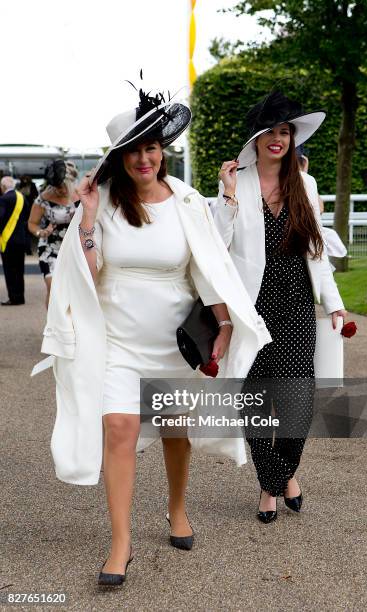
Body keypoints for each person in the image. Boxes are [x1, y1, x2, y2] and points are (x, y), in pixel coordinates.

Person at [35, 84, 271, 586]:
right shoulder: (102, 203)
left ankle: (177, 507)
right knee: (118, 428)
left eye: (151, 147)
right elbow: (87, 271)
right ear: (120, 157)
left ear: (162, 150)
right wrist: (91, 218)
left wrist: (225, 322)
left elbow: (208, 267)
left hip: (173, 342)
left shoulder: (186, 201)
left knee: (174, 431)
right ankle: (120, 544)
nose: (144, 158)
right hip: (117, 340)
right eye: (133, 150)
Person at [214, 90, 347, 524]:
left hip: (295, 305)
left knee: (295, 401)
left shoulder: (304, 185)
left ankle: (277, 474)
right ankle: (274, 483)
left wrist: (334, 304)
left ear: (292, 139)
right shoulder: (236, 181)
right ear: (256, 138)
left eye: (285, 131)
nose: (278, 138)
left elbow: (317, 251)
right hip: (252, 308)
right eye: (270, 131)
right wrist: (229, 197)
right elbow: (218, 245)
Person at [28, 160, 78, 308]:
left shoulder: (80, 195)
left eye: (63, 186)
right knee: (53, 286)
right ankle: (52, 327)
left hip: (74, 248)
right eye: (57, 187)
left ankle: (69, 326)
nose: (61, 190)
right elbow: (32, 223)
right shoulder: (43, 199)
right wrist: (41, 232)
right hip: (50, 248)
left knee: (73, 289)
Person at [0, 176, 28, 305]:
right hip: (21, 239)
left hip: (8, 240)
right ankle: (20, 296)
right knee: (19, 270)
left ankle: (13, 297)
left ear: (3, 187)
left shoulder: (4, 199)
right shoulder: (22, 198)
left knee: (10, 270)